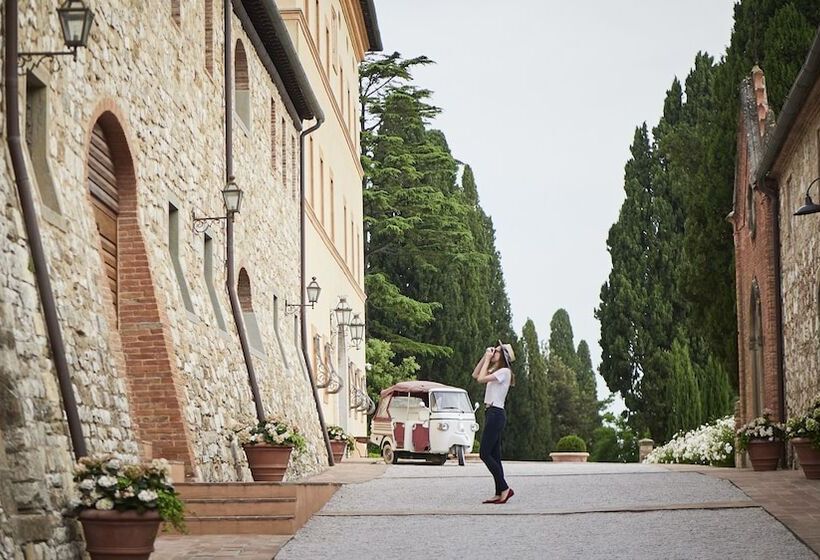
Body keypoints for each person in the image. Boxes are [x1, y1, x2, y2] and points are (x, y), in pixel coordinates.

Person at [472, 340, 516, 504]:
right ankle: (499, 492)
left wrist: (489, 358)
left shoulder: (504, 371)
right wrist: (485, 357)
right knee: (495, 456)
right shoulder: (496, 371)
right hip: (491, 413)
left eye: (497, 351)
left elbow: (480, 379)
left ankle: (504, 488)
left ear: (503, 356)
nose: (493, 352)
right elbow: (476, 374)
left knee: (484, 454)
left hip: (496, 413)